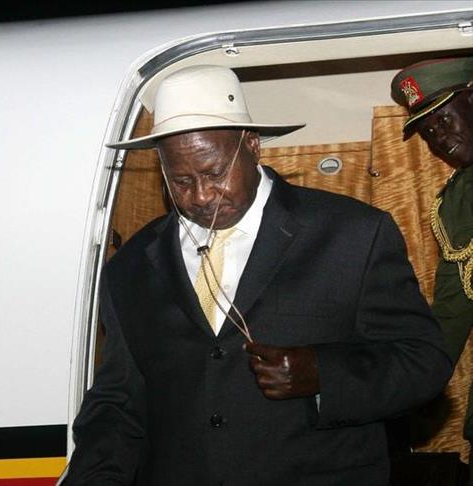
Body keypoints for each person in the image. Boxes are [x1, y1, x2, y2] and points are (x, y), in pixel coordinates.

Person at [62, 65, 452, 485]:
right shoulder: (132, 265)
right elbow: (117, 401)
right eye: (180, 180)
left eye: (214, 173)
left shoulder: (352, 233)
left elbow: (424, 362)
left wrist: (323, 374)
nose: (200, 195)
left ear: (252, 147)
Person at [391, 57, 473, 474]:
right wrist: (411, 386)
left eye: (443, 118)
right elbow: (451, 311)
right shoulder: (455, 203)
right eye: (427, 133)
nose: (439, 137)